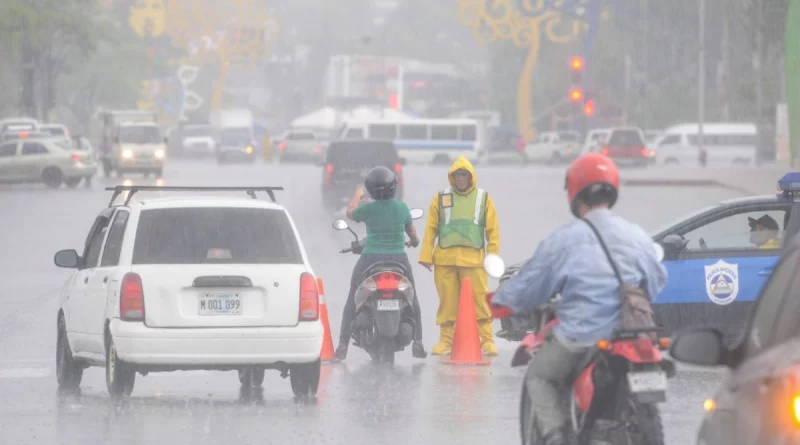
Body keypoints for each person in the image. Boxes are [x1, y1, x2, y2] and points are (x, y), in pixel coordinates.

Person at [490, 153, 667, 445]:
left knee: (539, 377)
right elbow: (657, 282)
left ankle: (557, 437)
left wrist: (501, 301)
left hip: (583, 333)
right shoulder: (636, 235)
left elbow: (532, 285)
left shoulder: (566, 239)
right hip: (632, 333)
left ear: (574, 192)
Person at [335, 166, 428, 360]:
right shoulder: (402, 208)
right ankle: (418, 342)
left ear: (370, 189)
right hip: (398, 259)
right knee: (413, 299)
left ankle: (343, 344)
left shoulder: (368, 209)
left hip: (370, 258)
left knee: (353, 297)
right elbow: (413, 235)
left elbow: (350, 213)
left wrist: (357, 195)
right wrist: (414, 242)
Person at [418, 156, 500, 357]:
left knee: (480, 300)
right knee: (447, 302)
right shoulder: (440, 197)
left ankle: (487, 340)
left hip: (474, 261)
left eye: (464, 175)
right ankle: (445, 341)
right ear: (452, 177)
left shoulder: (483, 198)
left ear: (471, 176)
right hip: (445, 260)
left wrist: (492, 257)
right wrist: (426, 256)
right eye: (457, 175)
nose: (461, 179)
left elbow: (492, 231)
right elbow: (431, 229)